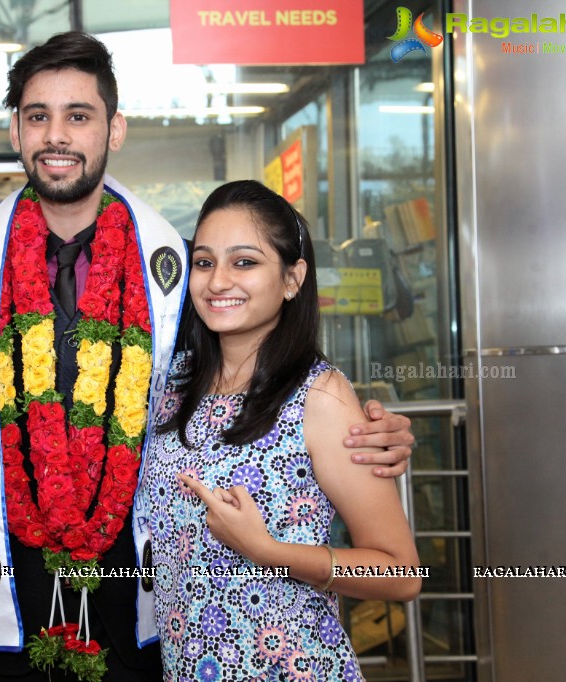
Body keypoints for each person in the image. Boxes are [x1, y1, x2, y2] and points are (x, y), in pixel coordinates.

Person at [0, 32, 414, 682]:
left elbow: (264, 384)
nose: (56, 135)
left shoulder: (179, 271)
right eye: (38, 115)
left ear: (113, 130)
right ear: (15, 130)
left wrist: (370, 434)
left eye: (78, 115)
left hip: (142, 616)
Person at [139, 180, 421, 681]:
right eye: (204, 262)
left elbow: (400, 572)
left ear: (292, 279)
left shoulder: (321, 397)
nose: (218, 281)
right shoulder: (172, 386)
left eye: (244, 262)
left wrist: (268, 553)